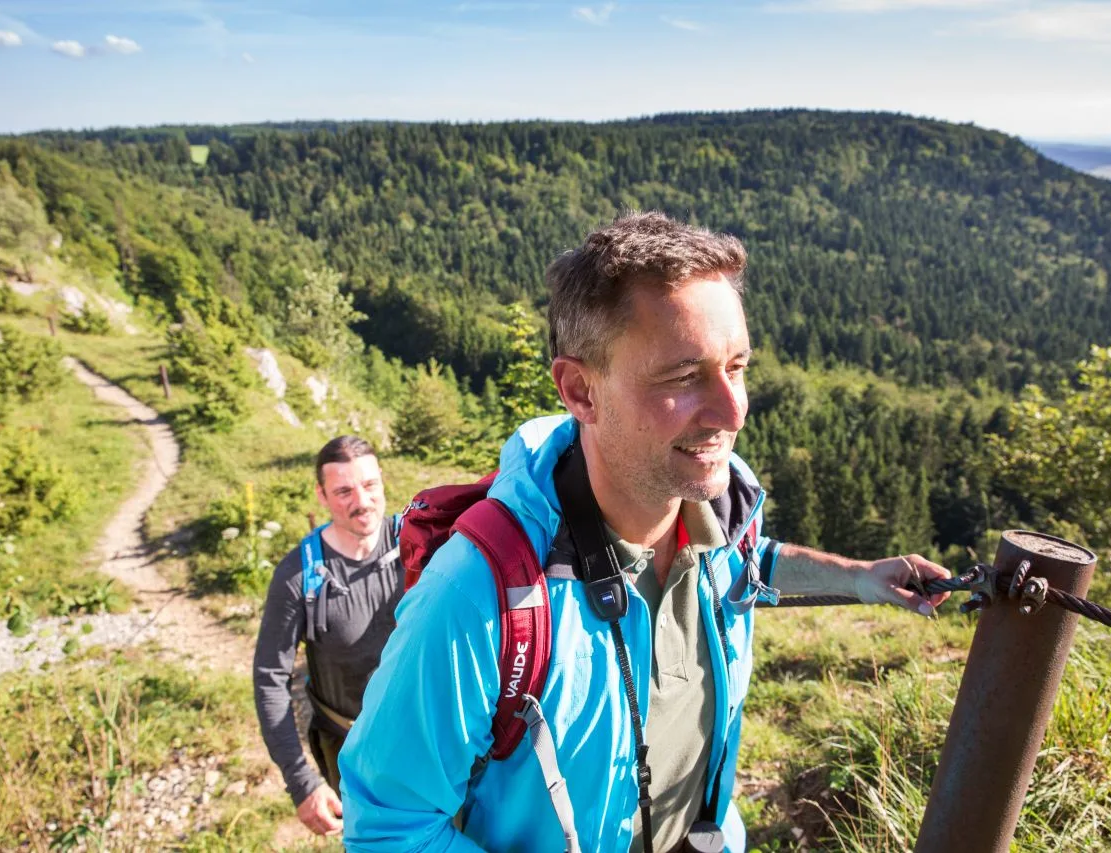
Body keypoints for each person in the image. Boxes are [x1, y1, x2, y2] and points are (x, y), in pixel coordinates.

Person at [339, 212, 952, 852]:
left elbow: (746, 562)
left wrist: (858, 579)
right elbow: (389, 828)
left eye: (736, 367)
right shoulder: (478, 595)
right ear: (581, 390)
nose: (733, 410)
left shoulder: (722, 512)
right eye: (684, 378)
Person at [253, 435, 404, 836]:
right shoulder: (299, 578)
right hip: (354, 755)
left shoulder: (418, 546)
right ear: (321, 495)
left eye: (370, 485)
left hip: (433, 738)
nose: (363, 501)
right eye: (343, 491)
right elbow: (270, 678)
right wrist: (302, 783)